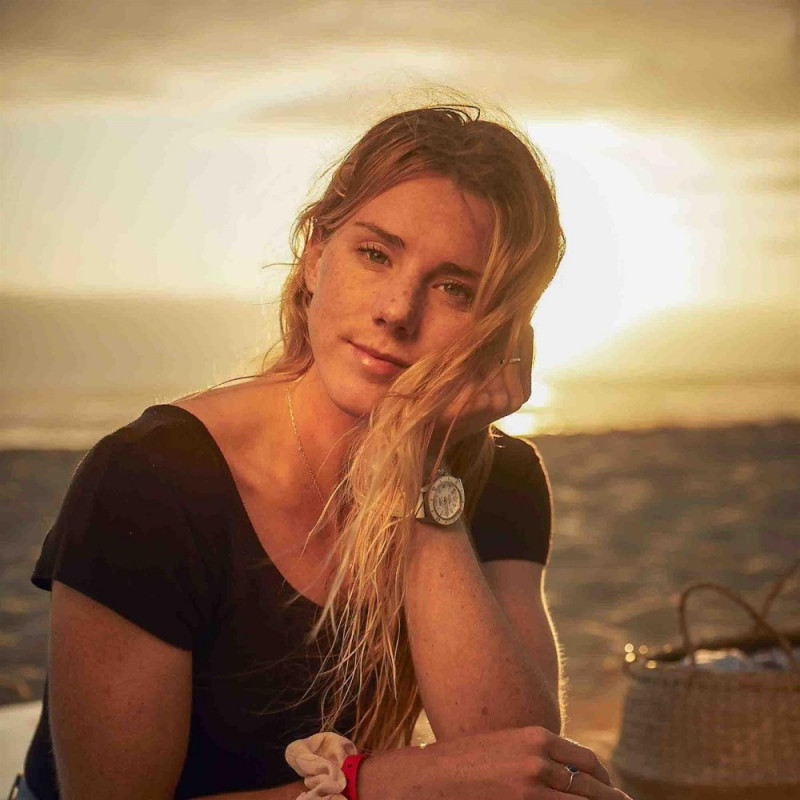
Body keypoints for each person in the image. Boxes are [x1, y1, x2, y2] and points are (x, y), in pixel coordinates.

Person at [15, 102, 632, 799]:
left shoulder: (496, 478)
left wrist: (417, 471)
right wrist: (373, 784)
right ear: (314, 258)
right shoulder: (150, 482)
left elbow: (521, 770)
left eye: (455, 288)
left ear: (502, 332)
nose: (397, 311)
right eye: (376, 254)